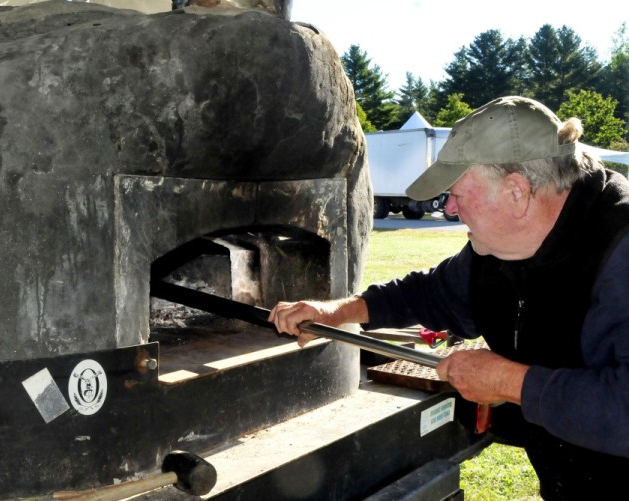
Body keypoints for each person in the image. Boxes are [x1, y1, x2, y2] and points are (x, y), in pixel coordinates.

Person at [268, 96, 629, 500]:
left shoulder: (620, 248)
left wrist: (510, 382)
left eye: (457, 193)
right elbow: (430, 292)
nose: (450, 208)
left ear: (516, 191)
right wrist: (337, 310)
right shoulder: (496, 250)